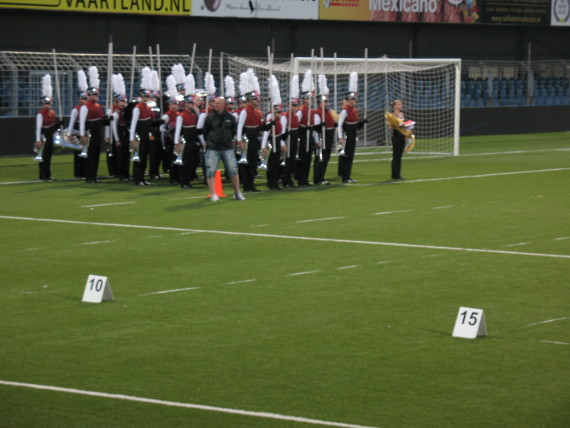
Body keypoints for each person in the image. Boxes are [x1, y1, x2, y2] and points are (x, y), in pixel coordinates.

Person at [202, 97, 245, 201]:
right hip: (213, 147)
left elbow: (233, 131)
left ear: (223, 104)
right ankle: (213, 194)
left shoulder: (230, 117)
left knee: (233, 170)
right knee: (210, 170)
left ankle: (237, 192)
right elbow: (205, 131)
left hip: (227, 147)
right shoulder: (209, 117)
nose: (215, 105)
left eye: (218, 103)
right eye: (215, 103)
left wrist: (228, 139)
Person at [337, 81, 366, 183]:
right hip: (347, 135)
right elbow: (340, 124)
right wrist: (340, 137)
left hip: (353, 134)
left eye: (354, 99)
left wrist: (361, 123)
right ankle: (345, 177)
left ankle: (348, 176)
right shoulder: (345, 110)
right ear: (348, 100)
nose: (354, 100)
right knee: (347, 156)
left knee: (351, 156)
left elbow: (355, 124)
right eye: (352, 99)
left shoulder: (354, 110)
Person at [79, 82, 105, 184]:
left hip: (98, 132)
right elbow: (82, 121)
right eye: (94, 94)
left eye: (97, 94)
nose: (96, 96)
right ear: (89, 95)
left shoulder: (98, 106)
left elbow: (101, 120)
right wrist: (82, 134)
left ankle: (94, 176)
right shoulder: (85, 107)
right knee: (90, 155)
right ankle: (89, 177)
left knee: (96, 155)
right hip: (90, 133)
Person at [34, 78, 59, 181]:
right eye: (45, 104)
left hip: (50, 135)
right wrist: (38, 140)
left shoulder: (52, 113)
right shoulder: (40, 114)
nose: (47, 105)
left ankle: (47, 174)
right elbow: (38, 128)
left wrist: (57, 126)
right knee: (43, 155)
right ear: (42, 104)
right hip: (43, 134)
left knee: (48, 155)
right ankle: (43, 175)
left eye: (48, 103)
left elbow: (53, 126)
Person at [388, 99, 413, 180]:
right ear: (394, 106)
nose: (401, 105)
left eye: (401, 104)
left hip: (402, 135)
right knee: (396, 156)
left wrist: (408, 129)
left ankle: (398, 174)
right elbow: (390, 127)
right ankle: (394, 175)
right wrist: (398, 125)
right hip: (396, 136)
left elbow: (404, 125)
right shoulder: (392, 115)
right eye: (399, 104)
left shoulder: (402, 114)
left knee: (399, 156)